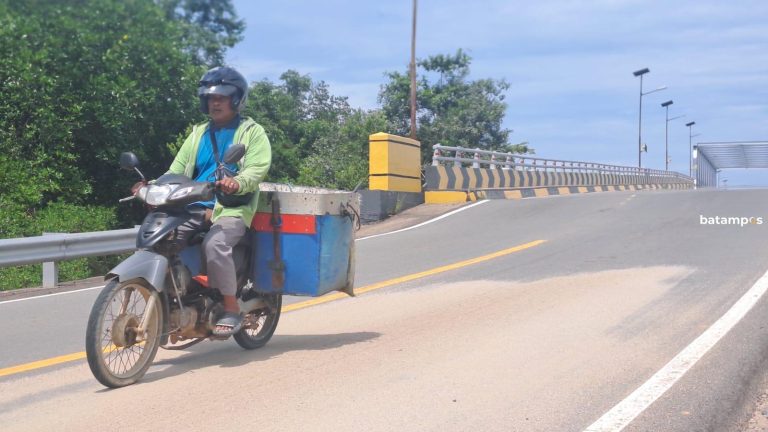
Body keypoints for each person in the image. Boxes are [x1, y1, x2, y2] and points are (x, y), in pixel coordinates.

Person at [158, 66, 271, 336]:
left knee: (215, 244)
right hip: (193, 205)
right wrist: (152, 186)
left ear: (236, 99)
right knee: (161, 240)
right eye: (210, 98)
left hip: (230, 207)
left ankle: (231, 307)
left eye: (221, 97)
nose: (215, 102)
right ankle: (172, 301)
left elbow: (256, 169)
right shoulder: (198, 133)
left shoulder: (252, 132)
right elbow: (177, 169)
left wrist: (237, 182)